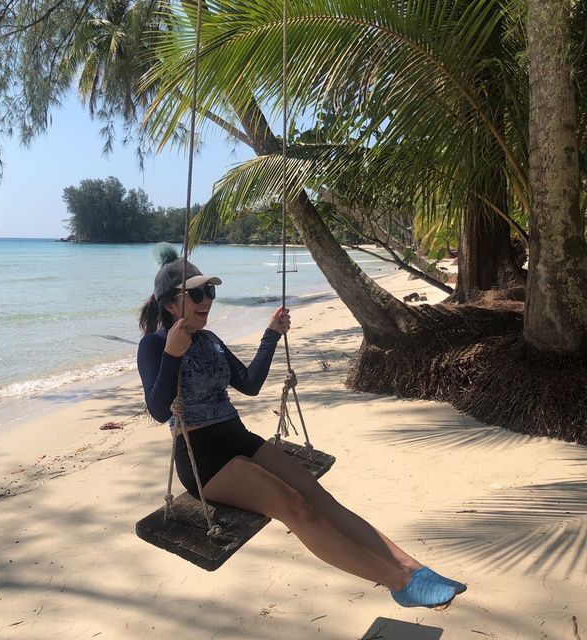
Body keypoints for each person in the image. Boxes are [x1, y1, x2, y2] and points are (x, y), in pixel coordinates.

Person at [137, 244, 466, 609]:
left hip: (237, 436)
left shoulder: (211, 341)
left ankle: (412, 568)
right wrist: (171, 354)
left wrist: (271, 334)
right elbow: (157, 409)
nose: (207, 299)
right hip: (202, 459)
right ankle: (400, 583)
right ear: (170, 304)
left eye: (210, 290)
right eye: (196, 293)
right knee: (296, 507)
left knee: (319, 496)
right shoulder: (154, 345)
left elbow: (249, 383)